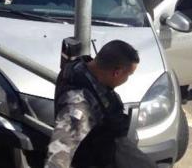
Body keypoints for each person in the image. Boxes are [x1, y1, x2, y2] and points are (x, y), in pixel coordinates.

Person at [46, 40, 154, 168]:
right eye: (128, 75)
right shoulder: (80, 106)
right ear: (117, 73)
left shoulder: (81, 68)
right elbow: (57, 158)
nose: (127, 79)